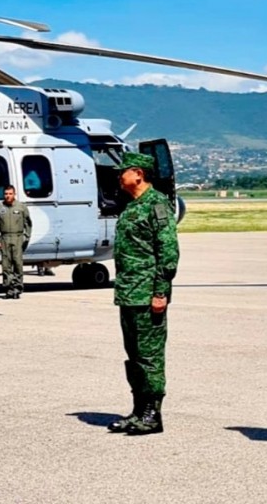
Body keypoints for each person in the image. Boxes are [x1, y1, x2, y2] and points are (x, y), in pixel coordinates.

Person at [107, 152, 179, 436]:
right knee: (134, 354)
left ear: (138, 173)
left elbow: (169, 252)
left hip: (149, 294)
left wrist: (160, 291)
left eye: (122, 171)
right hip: (129, 293)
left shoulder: (156, 204)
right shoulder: (131, 205)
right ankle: (138, 409)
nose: (118, 176)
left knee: (150, 356)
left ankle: (152, 413)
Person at [0, 185, 32, 299]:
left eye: (10, 194)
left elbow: (28, 224)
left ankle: (17, 288)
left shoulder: (21, 207)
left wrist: (26, 238)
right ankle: (9, 288)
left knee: (18, 264)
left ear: (14, 194)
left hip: (18, 237)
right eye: (6, 194)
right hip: (5, 238)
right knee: (6, 265)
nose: (7, 196)